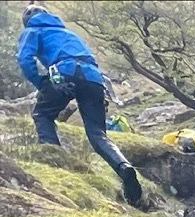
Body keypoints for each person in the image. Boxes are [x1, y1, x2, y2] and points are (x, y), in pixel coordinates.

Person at [17, 6, 143, 205]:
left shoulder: (33, 30)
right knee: (98, 133)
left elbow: (24, 59)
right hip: (94, 78)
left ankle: (54, 162)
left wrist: (41, 82)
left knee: (42, 114)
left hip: (65, 72)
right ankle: (123, 166)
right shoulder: (68, 33)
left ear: (27, 20)